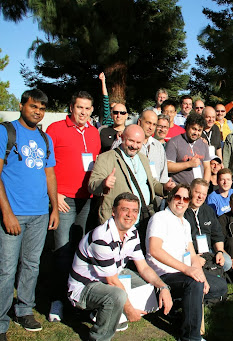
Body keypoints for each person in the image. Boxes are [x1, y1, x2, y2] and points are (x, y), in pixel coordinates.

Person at [68, 193, 172, 340]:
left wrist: (163, 287)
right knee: (117, 295)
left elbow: (143, 267)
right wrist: (130, 310)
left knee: (146, 285)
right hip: (84, 287)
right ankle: (99, 336)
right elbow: (112, 281)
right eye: (125, 209)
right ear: (113, 211)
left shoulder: (132, 232)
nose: (130, 214)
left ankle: (103, 314)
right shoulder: (102, 238)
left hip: (111, 275)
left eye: (135, 211)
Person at [0, 89, 59, 339]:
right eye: (34, 106)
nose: (38, 111)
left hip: (39, 214)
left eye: (42, 108)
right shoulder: (6, 131)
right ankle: (0, 321)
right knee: (6, 269)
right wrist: (7, 213)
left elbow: (50, 174)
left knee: (31, 265)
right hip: (13, 213)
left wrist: (54, 207)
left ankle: (24, 309)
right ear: (22, 105)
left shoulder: (46, 139)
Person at [45, 91, 101, 322]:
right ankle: (57, 299)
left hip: (86, 199)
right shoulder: (55, 129)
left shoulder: (94, 132)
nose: (84, 113)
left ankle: (77, 297)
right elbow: (45, 166)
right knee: (62, 250)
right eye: (80, 108)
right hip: (64, 199)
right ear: (71, 107)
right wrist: (54, 194)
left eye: (88, 109)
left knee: (81, 250)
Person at [146, 185, 216, 340]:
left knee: (217, 286)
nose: (181, 201)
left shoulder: (185, 223)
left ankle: (181, 310)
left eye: (185, 198)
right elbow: (154, 250)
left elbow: (192, 256)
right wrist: (187, 270)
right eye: (178, 197)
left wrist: (201, 276)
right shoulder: (160, 218)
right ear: (170, 198)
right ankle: (190, 337)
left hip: (180, 273)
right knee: (194, 283)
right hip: (161, 275)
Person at [88, 125, 174, 228]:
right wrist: (103, 183)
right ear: (123, 138)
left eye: (138, 143)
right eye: (131, 141)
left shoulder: (143, 159)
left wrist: (164, 187)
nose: (134, 146)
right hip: (119, 222)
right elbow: (92, 185)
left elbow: (151, 182)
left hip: (143, 218)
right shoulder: (106, 158)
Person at [184, 179, 232, 287]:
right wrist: (194, 257)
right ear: (190, 191)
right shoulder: (182, 211)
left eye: (204, 194)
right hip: (191, 253)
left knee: (227, 262)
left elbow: (217, 234)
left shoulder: (208, 211)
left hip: (209, 251)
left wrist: (219, 252)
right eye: (197, 192)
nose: (200, 197)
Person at [166, 113, 211, 185]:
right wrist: (189, 164)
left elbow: (207, 168)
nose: (196, 133)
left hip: (199, 190)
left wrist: (204, 186)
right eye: (194, 129)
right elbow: (168, 167)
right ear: (187, 126)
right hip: (180, 189)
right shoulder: (174, 142)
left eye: (199, 130)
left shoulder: (204, 144)